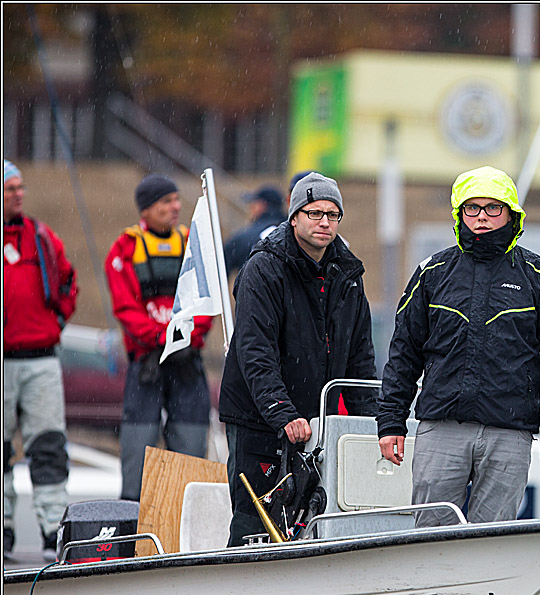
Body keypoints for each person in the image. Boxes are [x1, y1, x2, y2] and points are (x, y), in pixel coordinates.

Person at [376, 166, 540, 527]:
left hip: (509, 432)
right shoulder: (432, 273)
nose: (482, 216)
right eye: (473, 208)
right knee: (429, 536)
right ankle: (430, 588)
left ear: (511, 214)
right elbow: (403, 354)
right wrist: (391, 421)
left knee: (492, 540)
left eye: (493, 208)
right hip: (442, 427)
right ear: (460, 213)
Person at [219, 172, 377, 545]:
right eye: (314, 213)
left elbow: (360, 357)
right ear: (294, 217)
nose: (324, 222)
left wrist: (371, 425)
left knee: (306, 522)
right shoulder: (264, 267)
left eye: (333, 215)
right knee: (253, 521)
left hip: (315, 422)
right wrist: (282, 412)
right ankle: (238, 591)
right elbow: (255, 349)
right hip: (258, 418)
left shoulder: (349, 274)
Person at [105, 174, 213, 501]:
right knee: (138, 447)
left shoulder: (192, 244)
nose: (176, 207)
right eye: (167, 201)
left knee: (192, 446)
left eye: (177, 200)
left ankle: (188, 513)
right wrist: (159, 338)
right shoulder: (126, 248)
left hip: (186, 361)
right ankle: (134, 517)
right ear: (147, 209)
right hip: (147, 362)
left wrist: (187, 337)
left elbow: (206, 301)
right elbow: (125, 307)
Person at [3, 159, 78, 560]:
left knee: (49, 445)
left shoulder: (40, 236)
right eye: (9, 188)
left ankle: (53, 525)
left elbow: (68, 281)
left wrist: (56, 320)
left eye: (20, 187)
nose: (18, 194)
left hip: (41, 358)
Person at [223, 183, 286, 276]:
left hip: (254, 288)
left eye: (253, 204)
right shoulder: (294, 232)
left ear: (261, 206)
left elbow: (219, 274)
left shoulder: (243, 238)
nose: (250, 208)